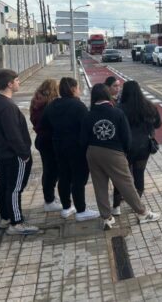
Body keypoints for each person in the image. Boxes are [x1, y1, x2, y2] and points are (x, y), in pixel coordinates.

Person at [81, 84, 160, 230]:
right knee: (126, 183)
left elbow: (83, 138)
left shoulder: (89, 114)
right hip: (113, 152)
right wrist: (122, 152)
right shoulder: (116, 113)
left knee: (100, 186)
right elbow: (126, 138)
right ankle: (142, 212)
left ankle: (106, 218)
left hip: (93, 152)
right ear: (107, 95)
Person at [42, 77, 99, 222]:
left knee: (64, 176)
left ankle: (66, 207)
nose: (79, 90)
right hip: (76, 147)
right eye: (78, 87)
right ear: (73, 89)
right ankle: (81, 209)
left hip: (58, 146)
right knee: (79, 178)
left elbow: (44, 125)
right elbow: (87, 128)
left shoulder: (52, 105)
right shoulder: (78, 106)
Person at [0, 69, 38, 235]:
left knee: (4, 185)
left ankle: (6, 217)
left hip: (3, 153)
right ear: (9, 84)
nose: (19, 82)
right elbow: (13, 135)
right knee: (15, 188)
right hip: (14, 155)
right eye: (16, 80)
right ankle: (16, 223)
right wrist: (24, 154)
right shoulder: (7, 106)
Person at [112, 80, 162, 216]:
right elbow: (158, 124)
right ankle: (136, 204)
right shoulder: (149, 107)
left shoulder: (118, 108)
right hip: (143, 147)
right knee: (139, 174)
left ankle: (116, 207)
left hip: (124, 149)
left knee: (121, 176)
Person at [30, 79, 62, 213]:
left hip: (41, 139)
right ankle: (49, 200)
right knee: (51, 171)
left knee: (49, 170)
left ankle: (50, 198)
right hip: (49, 140)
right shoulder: (50, 105)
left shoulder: (36, 101)